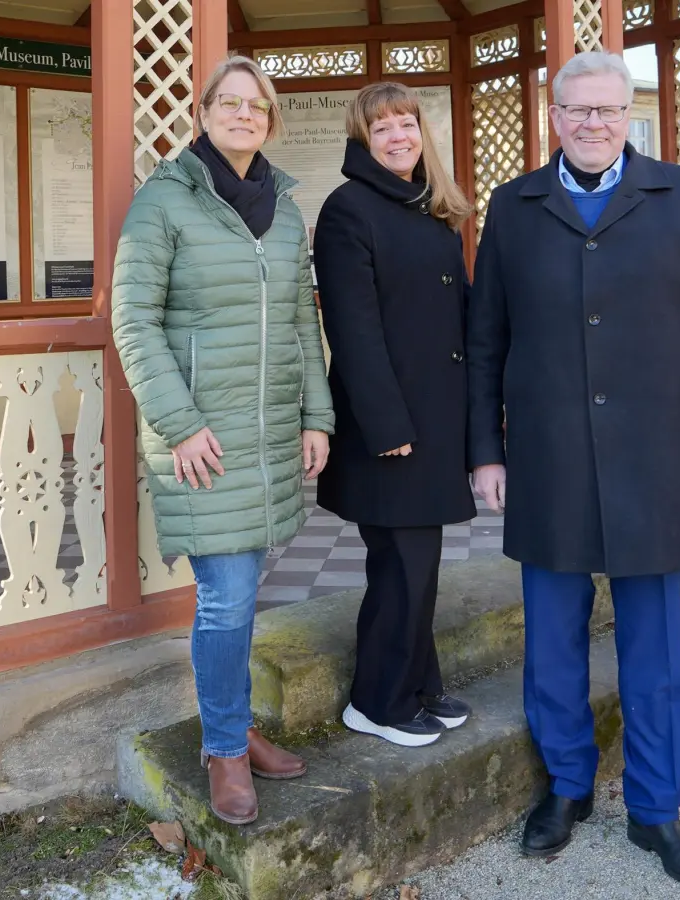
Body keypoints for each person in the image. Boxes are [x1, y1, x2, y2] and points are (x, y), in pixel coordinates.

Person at [467, 51, 680, 891]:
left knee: (656, 651)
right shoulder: (514, 207)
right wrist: (487, 449)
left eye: (607, 110)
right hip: (548, 458)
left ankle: (657, 812)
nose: (591, 123)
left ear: (631, 115)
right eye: (575, 110)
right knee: (552, 643)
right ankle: (566, 789)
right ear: (552, 117)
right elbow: (487, 341)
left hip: (658, 461)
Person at [111, 56, 334, 827]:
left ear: (270, 120)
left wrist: (317, 415)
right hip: (200, 436)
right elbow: (133, 320)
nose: (243, 115)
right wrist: (179, 423)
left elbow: (304, 322)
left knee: (245, 597)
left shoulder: (285, 207)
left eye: (256, 106)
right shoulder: (164, 201)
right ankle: (224, 750)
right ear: (202, 113)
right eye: (228, 103)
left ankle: (234, 729)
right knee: (227, 596)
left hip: (271, 429)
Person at [314, 83, 477, 748]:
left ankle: (417, 685)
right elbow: (353, 329)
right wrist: (387, 428)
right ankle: (375, 703)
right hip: (390, 428)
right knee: (400, 566)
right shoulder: (347, 210)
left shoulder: (432, 208)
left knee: (420, 562)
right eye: (381, 128)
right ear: (363, 139)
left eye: (406, 123)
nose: (398, 136)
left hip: (434, 420)